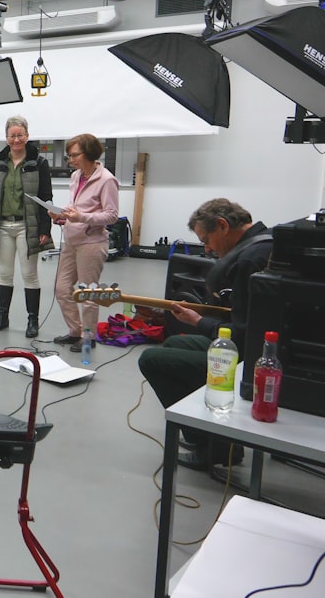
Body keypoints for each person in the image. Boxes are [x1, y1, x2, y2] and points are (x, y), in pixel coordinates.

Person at [139, 199, 273, 471]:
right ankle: (205, 435)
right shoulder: (265, 240)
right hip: (254, 349)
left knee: (151, 359)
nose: (208, 249)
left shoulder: (249, 260)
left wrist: (199, 321)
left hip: (252, 362)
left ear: (222, 226)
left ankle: (217, 448)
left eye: (207, 239)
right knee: (175, 343)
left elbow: (244, 337)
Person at [0, 115, 54, 338]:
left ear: (27, 136)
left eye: (20, 135)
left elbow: (46, 196)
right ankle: (2, 317)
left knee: (29, 275)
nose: (16, 139)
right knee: (5, 274)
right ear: (6, 138)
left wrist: (44, 228)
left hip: (27, 226)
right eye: (12, 136)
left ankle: (33, 321)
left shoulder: (38, 163)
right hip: (2, 225)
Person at [48, 133, 119, 353]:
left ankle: (89, 337)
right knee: (61, 289)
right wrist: (61, 216)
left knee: (88, 294)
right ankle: (75, 331)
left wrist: (82, 218)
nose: (70, 159)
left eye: (74, 155)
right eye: (69, 155)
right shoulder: (76, 176)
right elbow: (75, 207)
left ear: (88, 153)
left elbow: (112, 215)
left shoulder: (106, 179)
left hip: (92, 242)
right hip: (72, 239)